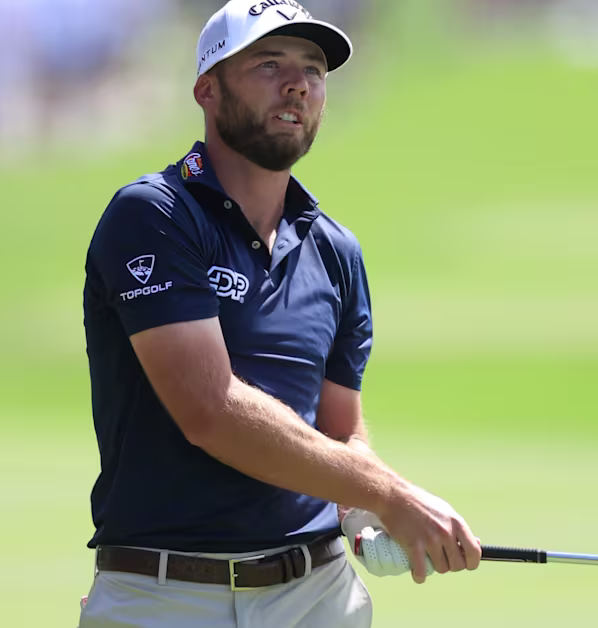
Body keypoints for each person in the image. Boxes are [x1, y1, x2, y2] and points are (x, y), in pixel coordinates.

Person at [78, 2, 481, 626]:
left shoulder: (335, 250)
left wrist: (364, 511)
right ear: (207, 90)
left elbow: (341, 426)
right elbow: (208, 409)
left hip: (317, 594)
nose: (298, 83)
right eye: (269, 64)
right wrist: (389, 493)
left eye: (314, 70)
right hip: (168, 595)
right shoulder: (154, 215)